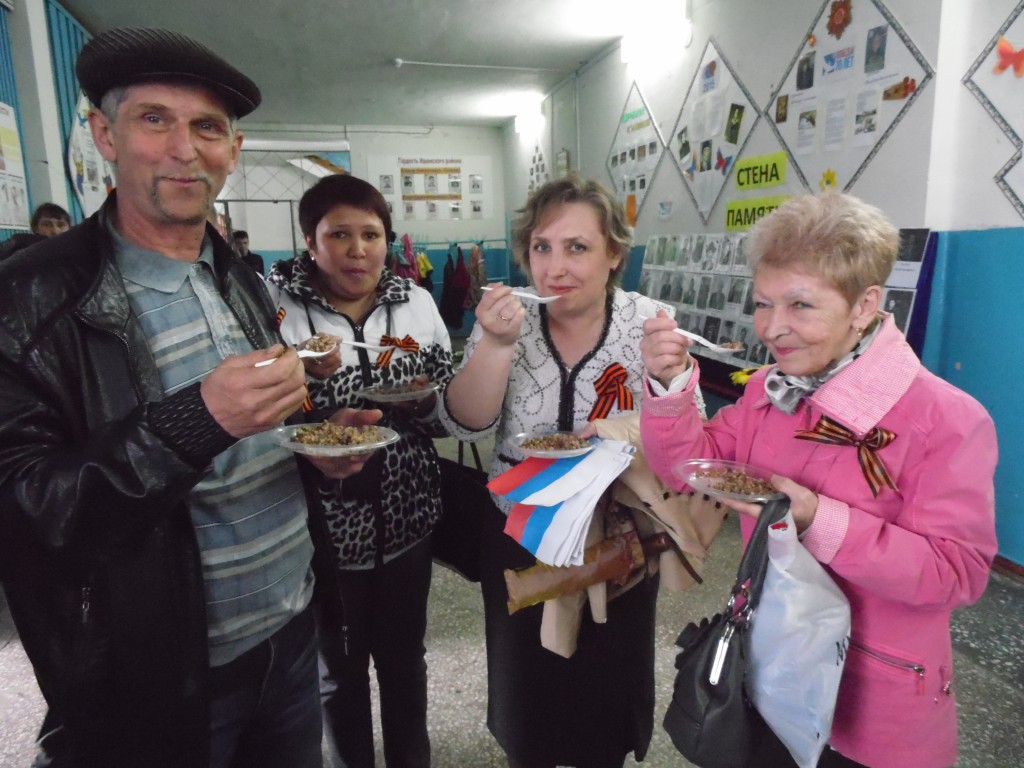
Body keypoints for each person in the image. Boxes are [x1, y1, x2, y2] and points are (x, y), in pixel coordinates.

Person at [0, 27, 378, 768]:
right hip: (155, 676)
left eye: (207, 127)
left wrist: (313, 447)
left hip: (291, 634)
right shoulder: (27, 299)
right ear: (104, 135)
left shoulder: (235, 274)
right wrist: (194, 419)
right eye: (154, 119)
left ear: (233, 150)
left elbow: (252, 432)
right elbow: (23, 510)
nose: (184, 149)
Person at [638, 192, 998, 768]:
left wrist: (815, 519)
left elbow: (955, 573)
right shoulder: (770, 391)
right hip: (764, 671)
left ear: (864, 305)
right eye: (763, 303)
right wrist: (672, 383)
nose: (772, 328)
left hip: (869, 705)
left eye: (800, 304)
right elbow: (688, 466)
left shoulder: (946, 419)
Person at [440, 175, 697, 768]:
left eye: (577, 247)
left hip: (620, 540)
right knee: (527, 700)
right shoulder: (508, 318)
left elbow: (689, 445)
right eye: (542, 247)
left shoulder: (650, 323)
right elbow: (467, 425)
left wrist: (671, 381)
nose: (555, 267)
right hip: (520, 531)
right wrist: (495, 345)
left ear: (614, 255)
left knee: (604, 701)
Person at [264, 173, 454, 768]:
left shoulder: (415, 302)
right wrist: (314, 408)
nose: (357, 250)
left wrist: (426, 401)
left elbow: (448, 410)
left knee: (405, 662)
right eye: (338, 235)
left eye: (371, 234)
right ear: (310, 241)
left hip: (407, 518)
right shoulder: (274, 306)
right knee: (338, 671)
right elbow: (256, 417)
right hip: (319, 528)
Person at [0, 202, 72, 260]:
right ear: (35, 228)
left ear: (70, 227)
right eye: (46, 225)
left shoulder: (74, 250)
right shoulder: (19, 244)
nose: (55, 231)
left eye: (61, 225)